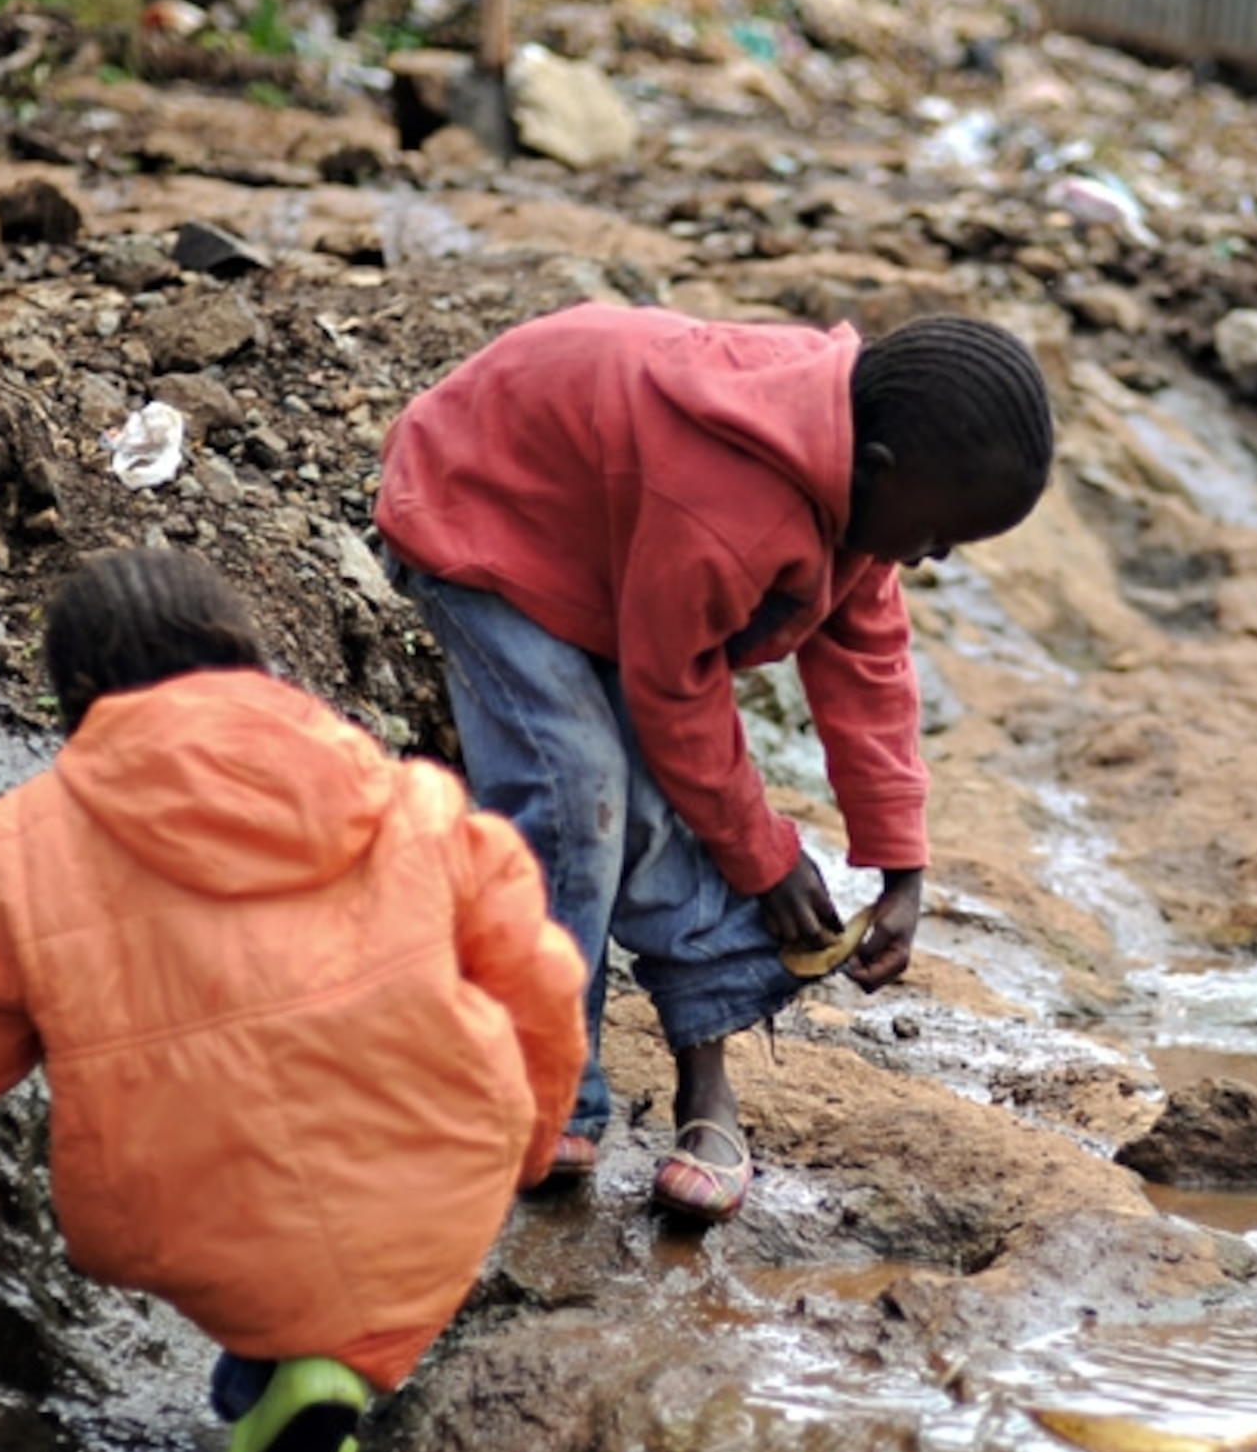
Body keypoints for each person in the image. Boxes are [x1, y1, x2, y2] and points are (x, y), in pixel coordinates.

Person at [0, 546, 589, 1452]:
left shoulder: (19, 846)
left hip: (188, 1211)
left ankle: (278, 1370)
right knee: (339, 1230)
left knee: (253, 1234)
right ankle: (318, 1371)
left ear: (77, 694)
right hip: (438, 1169)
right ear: (247, 657)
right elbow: (541, 979)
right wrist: (528, 1144)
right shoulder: (412, 796)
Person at [374, 304, 1057, 1223]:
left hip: (613, 554)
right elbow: (675, 692)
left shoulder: (856, 473)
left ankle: (707, 1081)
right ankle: (546, 1090)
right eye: (937, 535)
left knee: (663, 798)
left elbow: (868, 660)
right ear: (881, 472)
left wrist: (901, 858)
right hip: (482, 514)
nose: (930, 558)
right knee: (579, 788)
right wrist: (763, 857)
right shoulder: (731, 499)